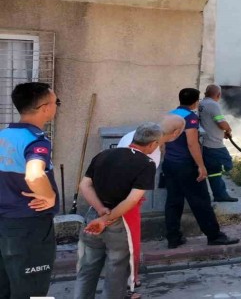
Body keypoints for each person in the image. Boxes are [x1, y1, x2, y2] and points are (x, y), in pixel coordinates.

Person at [74, 122, 162, 299]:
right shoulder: (147, 163)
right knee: (116, 270)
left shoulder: (103, 154)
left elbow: (84, 185)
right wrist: (106, 219)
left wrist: (100, 210)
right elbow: (132, 199)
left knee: (87, 267)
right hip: (120, 221)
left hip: (93, 215)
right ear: (153, 144)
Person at [0, 82, 59, 298]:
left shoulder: (3, 135)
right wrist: (49, 196)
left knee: (6, 286)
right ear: (45, 107)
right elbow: (34, 174)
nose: (56, 106)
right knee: (33, 290)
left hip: (5, 224)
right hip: (28, 226)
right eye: (56, 102)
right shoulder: (35, 140)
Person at [116, 114, 185, 299]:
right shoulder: (151, 152)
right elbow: (137, 181)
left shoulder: (134, 135)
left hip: (118, 196)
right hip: (127, 200)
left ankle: (125, 278)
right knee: (131, 242)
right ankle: (130, 282)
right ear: (176, 133)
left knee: (121, 242)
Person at [163, 88, 239, 248]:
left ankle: (173, 238)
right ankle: (214, 236)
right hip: (186, 165)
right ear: (195, 102)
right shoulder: (190, 117)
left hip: (170, 164)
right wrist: (201, 166)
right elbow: (192, 143)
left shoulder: (170, 114)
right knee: (201, 201)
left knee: (173, 201)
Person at [199, 85, 237, 202]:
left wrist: (221, 134)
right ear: (218, 95)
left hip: (206, 144)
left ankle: (220, 195)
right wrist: (228, 129)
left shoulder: (202, 103)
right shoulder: (213, 104)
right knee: (228, 162)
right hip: (214, 144)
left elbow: (208, 123)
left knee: (214, 172)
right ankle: (229, 184)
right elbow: (221, 122)